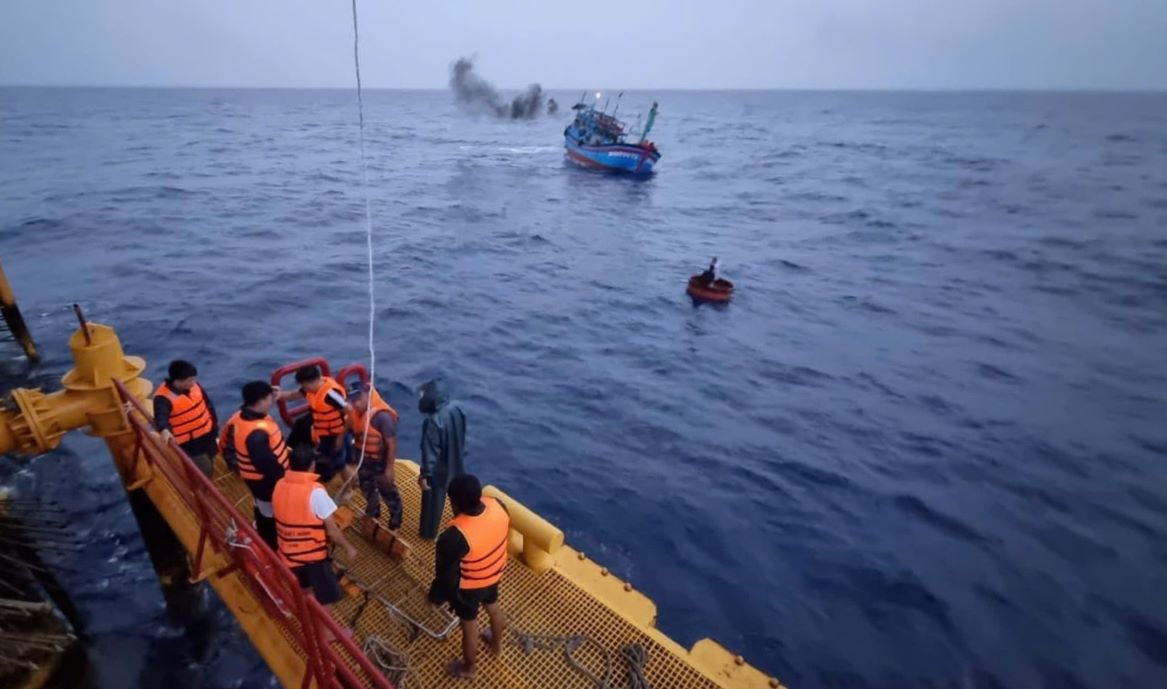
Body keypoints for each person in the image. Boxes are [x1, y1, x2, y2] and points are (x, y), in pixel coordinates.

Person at [428, 474, 508, 680]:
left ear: (454, 503)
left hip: (472, 585)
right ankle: (496, 645)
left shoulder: (455, 536)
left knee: (469, 625)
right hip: (494, 573)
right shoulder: (498, 505)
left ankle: (469, 668)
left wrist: (436, 597)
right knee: (494, 608)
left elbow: (445, 576)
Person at [272, 444, 358, 610]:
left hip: (287, 554)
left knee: (306, 589)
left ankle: (307, 612)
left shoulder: (279, 485)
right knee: (327, 601)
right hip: (312, 558)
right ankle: (324, 633)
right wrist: (348, 548)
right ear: (312, 465)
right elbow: (333, 532)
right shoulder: (316, 492)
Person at [219, 381, 290, 549]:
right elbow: (266, 465)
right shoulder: (256, 435)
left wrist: (270, 392)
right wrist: (286, 481)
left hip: (257, 482)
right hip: (266, 484)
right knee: (269, 512)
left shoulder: (241, 417)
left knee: (263, 507)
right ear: (260, 402)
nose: (271, 401)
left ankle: (266, 532)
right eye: (268, 398)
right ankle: (271, 544)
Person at [347, 381, 403, 531]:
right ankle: (373, 512)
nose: (356, 403)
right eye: (353, 400)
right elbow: (352, 431)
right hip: (363, 460)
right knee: (366, 487)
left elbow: (391, 443)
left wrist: (389, 469)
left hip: (380, 461)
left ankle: (395, 521)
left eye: (358, 399)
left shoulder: (382, 417)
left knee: (388, 491)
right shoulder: (355, 412)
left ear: (367, 395)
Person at [278, 365, 349, 484]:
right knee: (327, 457)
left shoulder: (331, 394)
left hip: (337, 434)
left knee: (340, 463)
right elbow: (292, 395)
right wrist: (279, 394)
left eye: (305, 386)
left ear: (314, 381)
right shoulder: (311, 389)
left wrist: (341, 437)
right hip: (323, 433)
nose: (304, 389)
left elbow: (350, 412)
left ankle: (349, 486)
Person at [418, 378, 467, 540]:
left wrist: (425, 475)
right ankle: (465, 527)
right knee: (459, 497)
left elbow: (430, 452)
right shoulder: (456, 409)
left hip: (439, 471)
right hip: (457, 461)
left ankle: (429, 533)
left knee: (433, 502)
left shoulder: (432, 421)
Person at [153, 360, 218, 477]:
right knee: (205, 469)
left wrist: (214, 426)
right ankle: (200, 490)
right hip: (190, 444)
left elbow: (208, 405)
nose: (194, 382)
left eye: (194, 379)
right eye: (190, 380)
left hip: (207, 434)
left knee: (212, 456)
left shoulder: (195, 386)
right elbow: (161, 416)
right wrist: (164, 429)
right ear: (178, 381)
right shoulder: (163, 398)